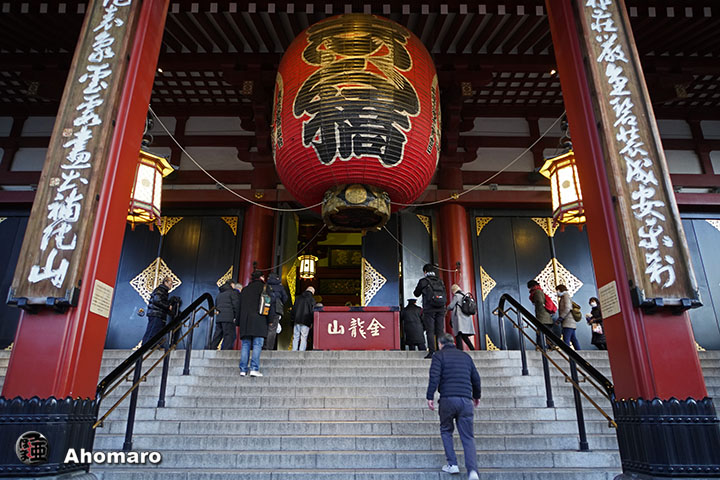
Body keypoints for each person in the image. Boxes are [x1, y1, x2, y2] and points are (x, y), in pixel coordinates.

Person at [426, 333, 481, 480]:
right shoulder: (466, 357)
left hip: (447, 399)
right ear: (453, 343)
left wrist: (430, 396)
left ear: (440, 344)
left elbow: (434, 377)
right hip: (465, 400)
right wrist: (476, 396)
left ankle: (452, 464)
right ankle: (472, 471)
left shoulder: (439, 356)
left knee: (446, 430)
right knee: (468, 436)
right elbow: (476, 378)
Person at [236, 271, 269, 376]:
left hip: (245, 321)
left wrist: (238, 321)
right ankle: (254, 368)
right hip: (259, 320)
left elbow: (239, 306)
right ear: (261, 277)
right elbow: (268, 305)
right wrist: (270, 320)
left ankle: (243, 369)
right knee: (257, 344)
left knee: (245, 344)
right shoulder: (265, 288)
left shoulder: (245, 290)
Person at [414, 264, 447, 359]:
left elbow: (416, 293)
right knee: (440, 331)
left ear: (425, 272)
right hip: (441, 308)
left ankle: (432, 352)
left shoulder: (423, 281)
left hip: (429, 309)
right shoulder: (440, 281)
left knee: (430, 331)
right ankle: (441, 351)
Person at [141, 276, 174, 346]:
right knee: (152, 331)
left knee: (155, 331)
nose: (171, 285)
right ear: (165, 282)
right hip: (156, 314)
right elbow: (157, 300)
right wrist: (168, 306)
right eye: (170, 283)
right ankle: (145, 348)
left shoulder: (162, 290)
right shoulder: (160, 290)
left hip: (157, 314)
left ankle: (151, 346)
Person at [209, 281, 239, 350]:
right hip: (229, 318)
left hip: (219, 318)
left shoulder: (219, 294)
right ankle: (226, 351)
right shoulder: (232, 293)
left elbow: (216, 305)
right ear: (231, 284)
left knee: (218, 335)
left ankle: (212, 348)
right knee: (229, 335)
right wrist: (236, 316)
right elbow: (236, 305)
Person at [527, 280, 557, 349]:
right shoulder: (539, 291)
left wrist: (538, 307)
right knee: (547, 332)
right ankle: (550, 346)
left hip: (542, 316)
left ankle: (541, 346)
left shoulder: (537, 292)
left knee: (541, 332)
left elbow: (540, 302)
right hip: (546, 317)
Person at [447, 284, 476, 351]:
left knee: (458, 334)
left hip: (459, 318)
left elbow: (451, 306)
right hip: (466, 318)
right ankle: (472, 349)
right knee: (464, 335)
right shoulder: (465, 295)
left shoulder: (457, 296)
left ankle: (460, 350)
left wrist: (446, 307)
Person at [265, 272, 289, 351]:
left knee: (265, 327)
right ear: (277, 278)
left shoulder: (266, 286)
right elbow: (285, 298)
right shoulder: (280, 287)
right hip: (276, 310)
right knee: (272, 329)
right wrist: (280, 302)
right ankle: (269, 348)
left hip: (265, 309)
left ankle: (263, 346)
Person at [291, 286, 316, 351]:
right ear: (312, 292)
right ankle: (301, 351)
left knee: (296, 336)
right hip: (306, 320)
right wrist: (312, 322)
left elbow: (293, 309)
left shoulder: (298, 298)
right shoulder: (311, 299)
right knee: (304, 337)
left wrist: (293, 319)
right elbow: (312, 311)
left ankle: (294, 350)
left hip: (297, 320)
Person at [556, 284, 580, 350]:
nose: (557, 292)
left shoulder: (565, 297)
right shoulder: (565, 296)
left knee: (566, 339)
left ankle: (568, 353)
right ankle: (579, 352)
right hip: (570, 322)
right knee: (573, 339)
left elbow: (567, 308)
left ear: (560, 290)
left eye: (557, 290)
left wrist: (561, 318)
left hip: (567, 322)